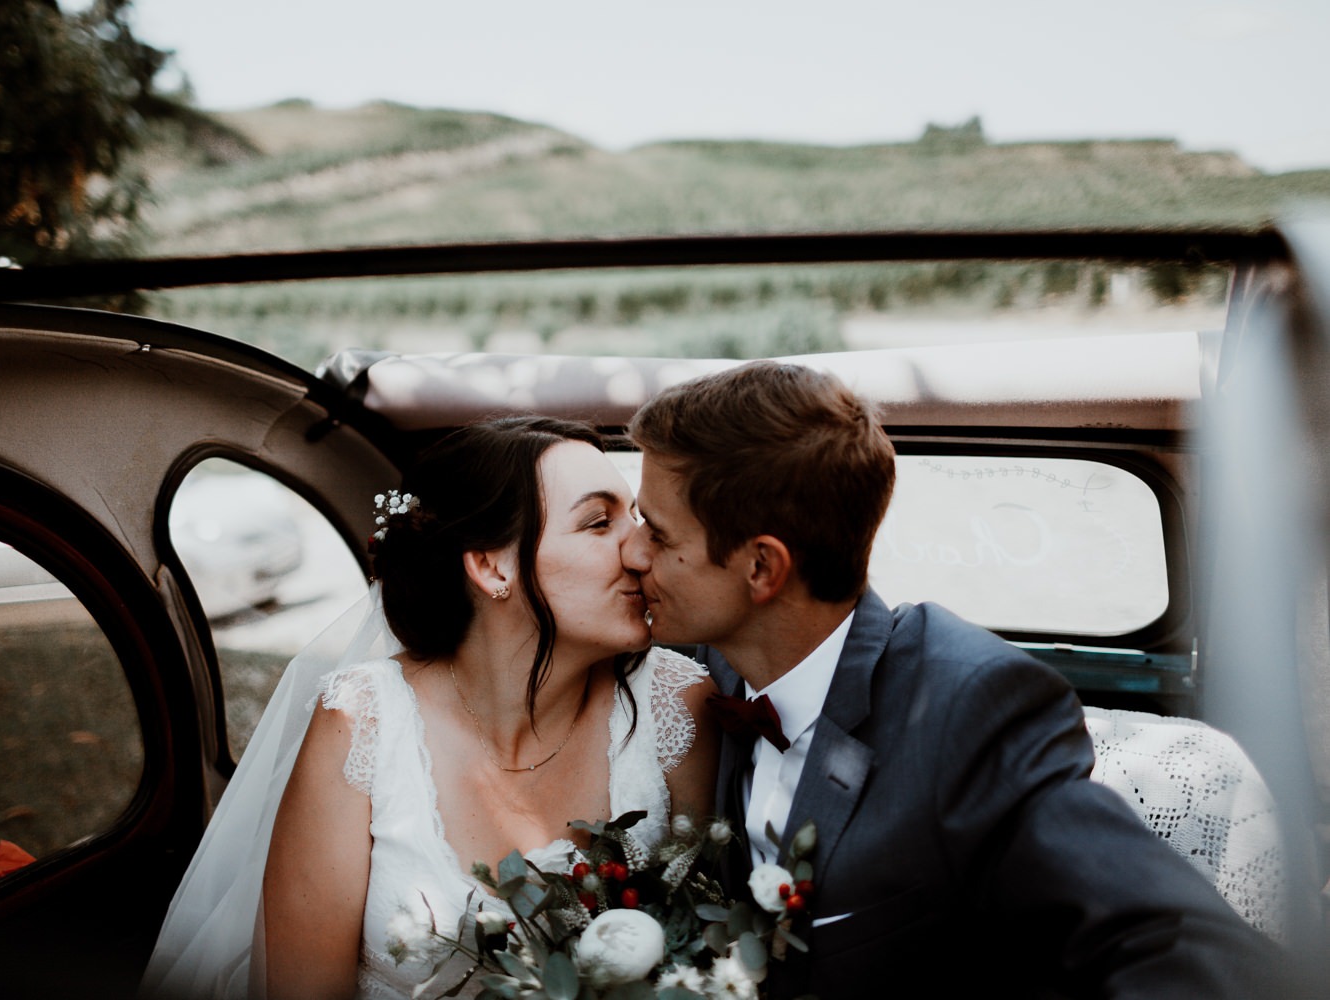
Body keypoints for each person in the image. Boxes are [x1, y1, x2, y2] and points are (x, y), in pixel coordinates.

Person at [622, 361, 1277, 998]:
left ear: (762, 567)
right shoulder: (703, 666)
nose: (632, 552)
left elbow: (1170, 945)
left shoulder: (969, 704)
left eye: (656, 531)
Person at [140, 416, 718, 999]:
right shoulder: (361, 722)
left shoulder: (678, 707)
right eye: (599, 522)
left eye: (638, 520)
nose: (643, 551)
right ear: (493, 567)